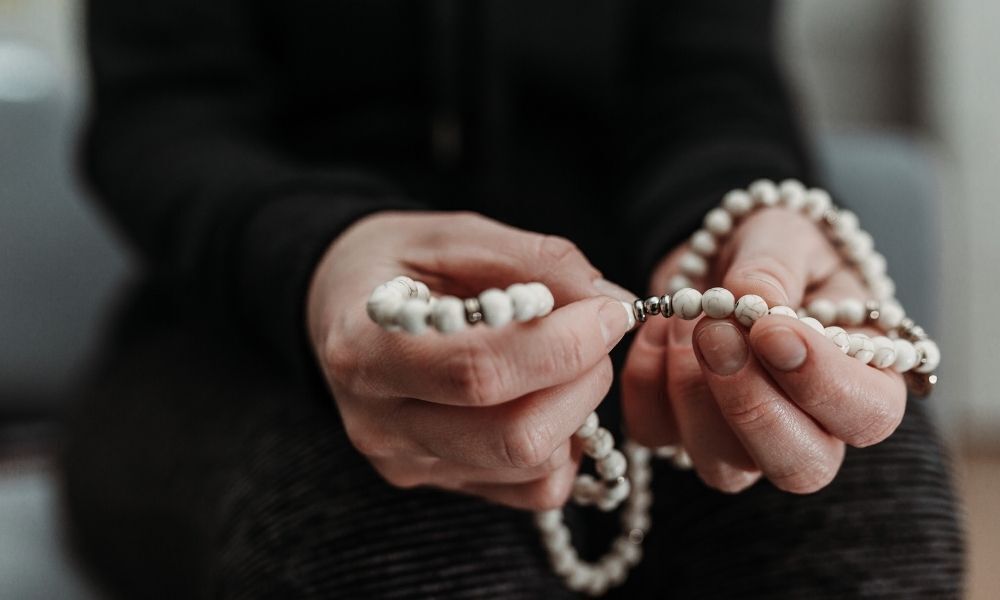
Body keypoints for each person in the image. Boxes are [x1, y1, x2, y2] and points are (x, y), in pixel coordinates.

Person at [61, 1, 964, 598]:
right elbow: (160, 120)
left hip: (645, 330)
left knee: (869, 496)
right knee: (387, 534)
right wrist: (317, 253)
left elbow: (714, 83)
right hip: (236, 326)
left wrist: (725, 229)